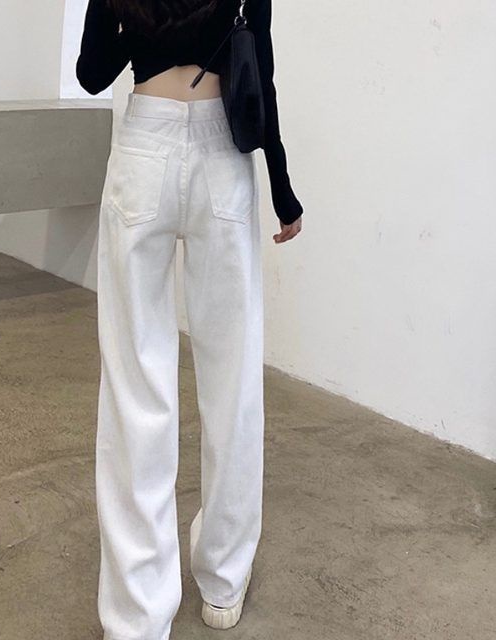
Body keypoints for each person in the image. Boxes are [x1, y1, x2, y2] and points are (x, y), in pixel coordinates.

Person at [75, 1, 303, 638]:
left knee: (135, 386)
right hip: (221, 158)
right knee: (232, 382)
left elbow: (92, 74)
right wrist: (283, 191)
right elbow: (261, 74)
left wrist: (144, 26)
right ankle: (223, 582)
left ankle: (138, 616)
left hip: (143, 149)